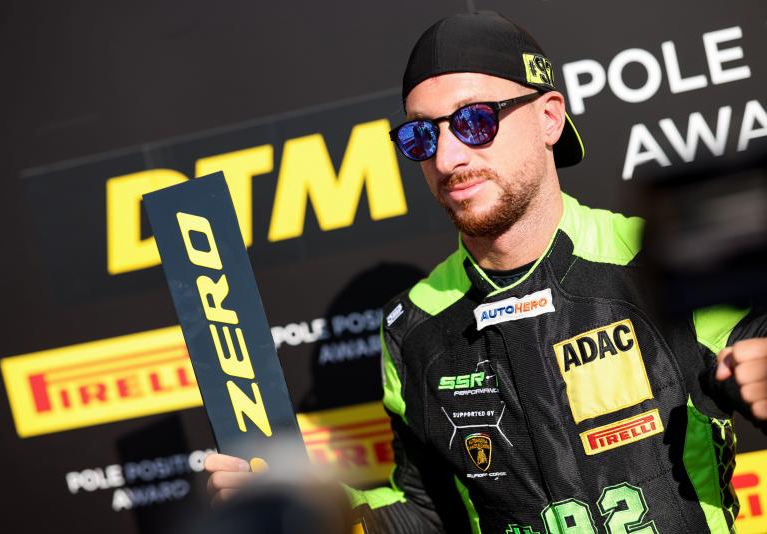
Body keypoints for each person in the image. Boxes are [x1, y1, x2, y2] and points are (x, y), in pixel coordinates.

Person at [206, 11, 767, 533]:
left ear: (549, 118)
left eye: (474, 121)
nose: (447, 158)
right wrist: (323, 510)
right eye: (422, 135)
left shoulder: (657, 259)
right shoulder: (414, 325)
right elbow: (432, 511)